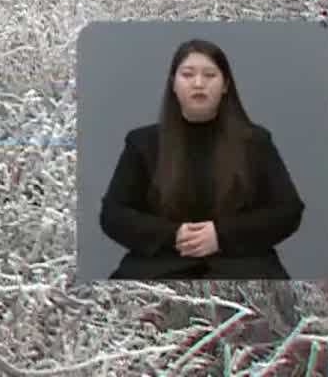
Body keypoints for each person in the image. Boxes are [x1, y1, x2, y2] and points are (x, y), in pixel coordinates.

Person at [98, 38, 305, 280]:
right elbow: (113, 214)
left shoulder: (255, 142)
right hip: (159, 266)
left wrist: (221, 236)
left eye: (209, 75)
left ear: (225, 84)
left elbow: (288, 210)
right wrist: (173, 235)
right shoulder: (142, 142)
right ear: (173, 84)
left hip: (243, 265)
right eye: (187, 75)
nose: (198, 83)